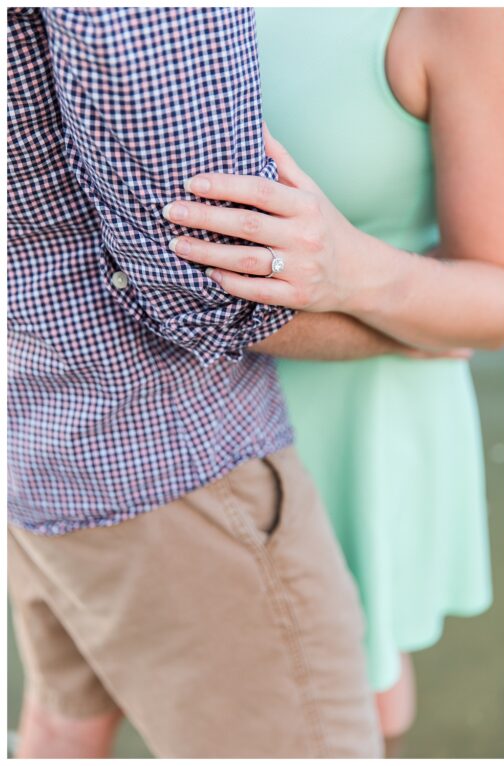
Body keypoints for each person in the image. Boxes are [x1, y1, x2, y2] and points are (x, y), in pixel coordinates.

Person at [6, 7, 431, 758]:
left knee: (56, 732)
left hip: (38, 434)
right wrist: (418, 325)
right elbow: (206, 286)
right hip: (181, 459)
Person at [162, 7, 504, 744]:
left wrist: (356, 278)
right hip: (170, 417)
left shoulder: (459, 16)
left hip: (366, 428)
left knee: (358, 684)